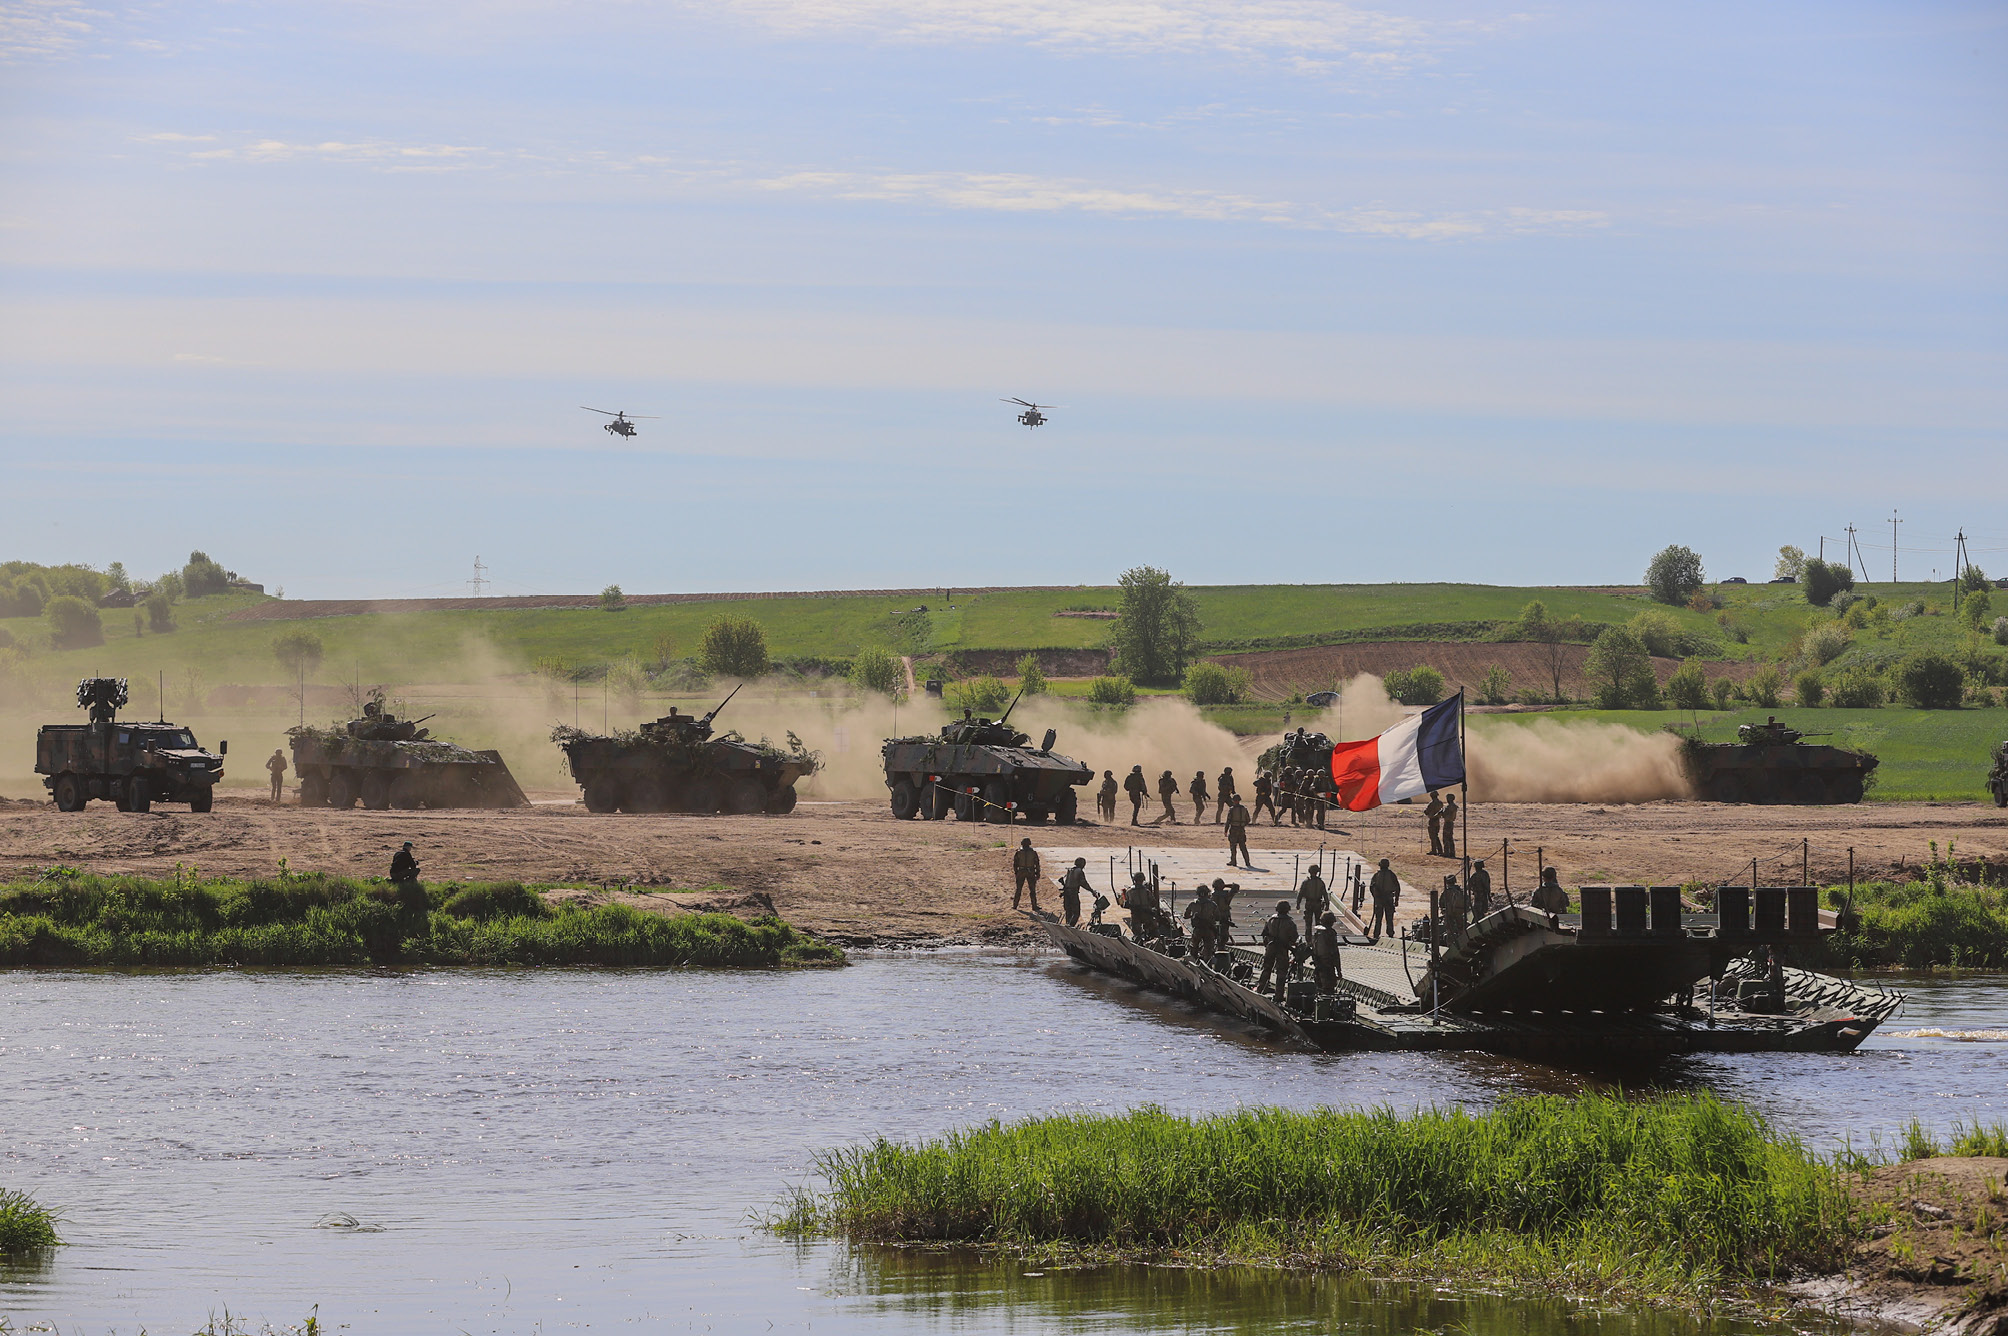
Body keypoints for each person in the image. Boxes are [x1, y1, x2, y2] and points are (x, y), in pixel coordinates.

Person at [1256, 900, 1299, 1004]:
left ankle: (1260, 989)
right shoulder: (1290, 923)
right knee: (1281, 972)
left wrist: (1267, 945)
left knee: (1266, 969)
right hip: (1283, 949)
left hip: (1271, 947)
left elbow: (1264, 934)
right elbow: (1294, 938)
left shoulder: (1271, 920)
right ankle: (1278, 995)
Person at [1309, 911, 1343, 994]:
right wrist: (1338, 970)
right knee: (1329, 988)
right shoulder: (1330, 933)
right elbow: (1335, 952)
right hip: (1328, 964)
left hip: (1318, 963)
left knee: (1319, 987)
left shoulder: (1317, 932)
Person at [1367, 858, 1400, 941]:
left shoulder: (1377, 875)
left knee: (1379, 918)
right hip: (1388, 899)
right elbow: (1397, 887)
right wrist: (1396, 899)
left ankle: (1377, 934)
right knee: (1389, 918)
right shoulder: (1391, 875)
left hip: (1381, 900)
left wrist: (1375, 896)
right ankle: (1390, 934)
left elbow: (1371, 887)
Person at [1296, 865, 1330, 940]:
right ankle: (1317, 939)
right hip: (1317, 904)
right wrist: (1327, 904)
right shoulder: (1320, 882)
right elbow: (1325, 894)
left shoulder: (1306, 882)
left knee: (1309, 924)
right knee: (1317, 923)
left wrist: (1298, 903)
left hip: (1310, 904)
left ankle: (1309, 940)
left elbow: (1300, 894)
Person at [1183, 884, 1217, 958]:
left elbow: (1185, 916)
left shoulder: (1192, 904)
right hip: (1208, 929)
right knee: (1208, 948)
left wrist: (1194, 916)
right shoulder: (1212, 904)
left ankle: (1193, 960)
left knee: (1194, 946)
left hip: (1197, 929)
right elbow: (1218, 917)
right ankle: (1207, 961)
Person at [1058, 857, 1092, 926]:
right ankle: (1071, 925)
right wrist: (1091, 891)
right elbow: (1084, 883)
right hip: (1073, 893)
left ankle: (1068, 924)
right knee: (1076, 912)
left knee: (1068, 911)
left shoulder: (1070, 870)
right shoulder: (1079, 871)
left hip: (1066, 893)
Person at [1011, 837, 1042, 911]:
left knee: (1018, 889)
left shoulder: (1018, 852)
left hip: (1021, 871)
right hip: (1030, 871)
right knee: (1032, 890)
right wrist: (1037, 873)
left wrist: (1016, 872)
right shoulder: (1033, 852)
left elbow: (1015, 864)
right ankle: (1034, 906)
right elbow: (1037, 863)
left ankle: (1015, 905)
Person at [1439, 873, 1469, 947]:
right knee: (1461, 929)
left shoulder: (1446, 892)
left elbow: (1441, 903)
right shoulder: (1460, 891)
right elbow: (1467, 901)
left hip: (1449, 914)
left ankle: (1450, 946)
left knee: (1449, 931)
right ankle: (1463, 944)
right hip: (1459, 913)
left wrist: (1444, 910)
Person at [1225, 797, 1251, 868]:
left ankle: (1233, 861)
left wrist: (1226, 830)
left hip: (1234, 829)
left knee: (1233, 846)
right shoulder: (1244, 809)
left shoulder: (1232, 809)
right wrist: (1242, 825)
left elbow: (1228, 821)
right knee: (1243, 847)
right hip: (1241, 829)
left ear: (1233, 801)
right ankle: (1247, 862)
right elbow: (1248, 820)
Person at [1424, 791, 1445, 856]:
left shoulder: (1431, 803)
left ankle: (1434, 850)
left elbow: (1427, 811)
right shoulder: (1440, 803)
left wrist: (1425, 812)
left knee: (1433, 837)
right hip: (1437, 821)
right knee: (1436, 836)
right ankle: (1440, 850)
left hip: (1432, 821)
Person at [1440, 793, 1458, 859]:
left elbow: (1444, 815)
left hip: (1447, 823)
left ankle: (1446, 853)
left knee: (1446, 838)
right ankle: (1452, 853)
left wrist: (1441, 813)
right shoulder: (1454, 806)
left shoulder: (1448, 807)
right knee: (1450, 838)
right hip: (1451, 823)